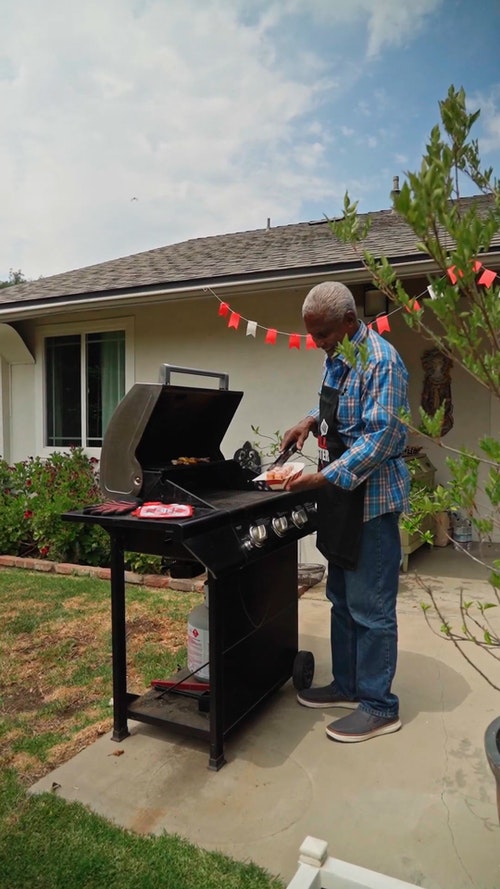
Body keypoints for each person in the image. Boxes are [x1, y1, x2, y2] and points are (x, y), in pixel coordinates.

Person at [281, 281, 410, 743]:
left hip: (371, 502)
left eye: (323, 335)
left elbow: (382, 439)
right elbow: (338, 409)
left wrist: (324, 476)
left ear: (350, 322)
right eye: (313, 336)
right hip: (340, 497)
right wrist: (308, 421)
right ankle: (348, 684)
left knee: (371, 608)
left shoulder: (381, 361)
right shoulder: (339, 354)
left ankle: (379, 705)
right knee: (340, 598)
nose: (317, 344)